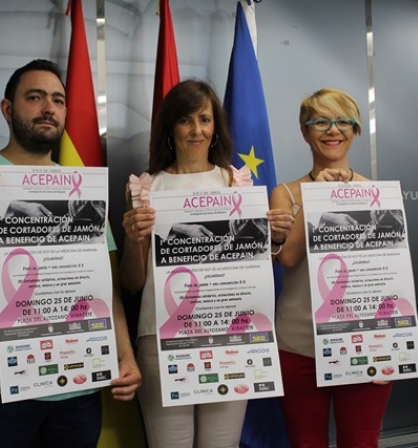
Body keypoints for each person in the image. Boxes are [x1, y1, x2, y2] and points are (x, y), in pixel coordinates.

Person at [0, 59, 141, 448]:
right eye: (35, 97)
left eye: (57, 100)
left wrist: (126, 355)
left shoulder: (81, 189)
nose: (48, 108)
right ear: (7, 109)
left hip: (79, 386)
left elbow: (104, 288)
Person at [119, 79, 293, 448]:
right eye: (185, 120)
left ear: (215, 127)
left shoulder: (238, 183)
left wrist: (275, 237)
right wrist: (134, 241)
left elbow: (253, 270)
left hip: (230, 339)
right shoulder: (147, 189)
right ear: (170, 127)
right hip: (163, 341)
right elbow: (133, 283)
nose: (196, 130)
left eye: (204, 119)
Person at [270, 88, 392, 448]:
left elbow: (390, 276)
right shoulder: (285, 193)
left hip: (363, 342)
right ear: (305, 132)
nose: (333, 130)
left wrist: (393, 345)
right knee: (306, 443)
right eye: (320, 122)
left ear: (355, 130)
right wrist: (317, 200)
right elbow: (287, 259)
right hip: (298, 345)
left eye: (343, 121)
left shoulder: (376, 194)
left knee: (361, 443)